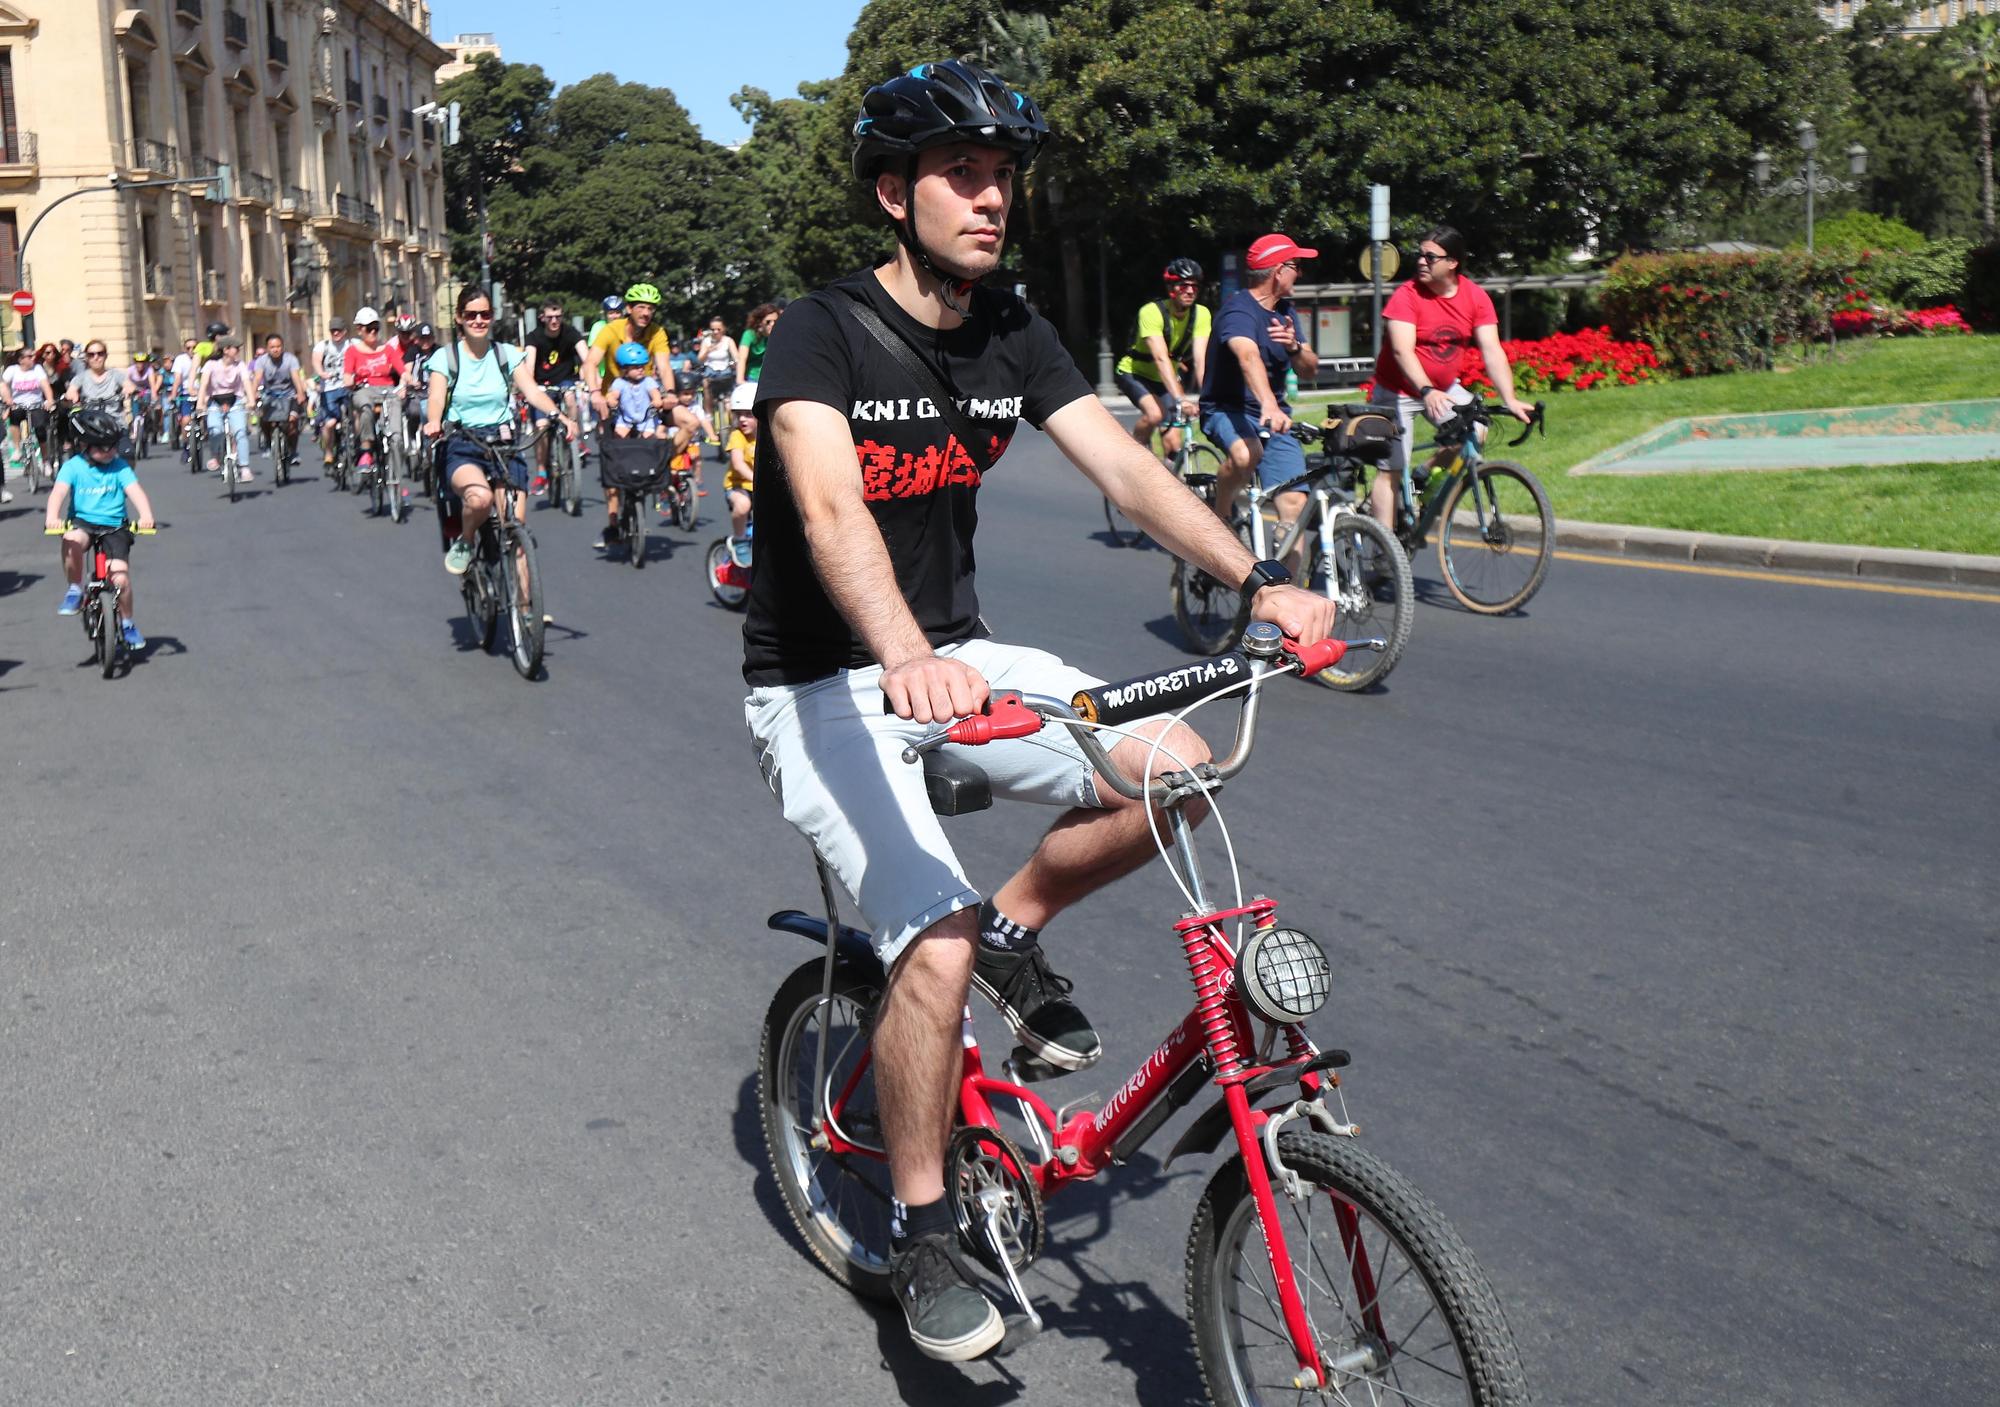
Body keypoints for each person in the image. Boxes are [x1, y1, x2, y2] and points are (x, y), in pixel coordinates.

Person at [742, 58, 1336, 1362]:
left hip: (961, 655)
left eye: (1004, 174)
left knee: (1179, 765)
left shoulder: (1010, 323)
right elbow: (831, 507)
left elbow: (1124, 463)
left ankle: (1017, 920)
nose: (992, 196)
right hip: (827, 678)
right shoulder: (820, 329)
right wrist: (900, 649)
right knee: (929, 946)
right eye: (965, 172)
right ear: (893, 193)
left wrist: (1262, 580)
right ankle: (925, 1224)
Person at [1366, 224, 1534, 531]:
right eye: (1420, 255)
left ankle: (1426, 474)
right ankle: (1384, 553)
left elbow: (1492, 351)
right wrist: (1426, 390)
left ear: (1452, 262)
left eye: (1430, 257)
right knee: (1390, 470)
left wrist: (1509, 398)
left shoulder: (1475, 297)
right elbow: (1403, 352)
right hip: (1398, 391)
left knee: (1477, 431)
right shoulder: (1407, 296)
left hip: (1444, 389)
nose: (1421, 262)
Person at [420, 285, 576, 577]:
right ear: (459, 318)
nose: (479, 320)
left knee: (515, 527)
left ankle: (527, 612)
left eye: (485, 314)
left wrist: (560, 416)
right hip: (462, 441)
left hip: (504, 442)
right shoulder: (447, 357)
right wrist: (434, 420)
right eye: (471, 315)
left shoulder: (505, 354)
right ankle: (466, 541)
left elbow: (531, 390)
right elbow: (437, 397)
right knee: (480, 498)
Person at [1198, 233, 1320, 573]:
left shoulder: (1285, 313)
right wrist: (1268, 404)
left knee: (1295, 503)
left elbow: (1310, 368)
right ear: (1278, 271)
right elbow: (1247, 355)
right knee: (1246, 453)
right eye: (1296, 266)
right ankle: (1219, 519)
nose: (1299, 273)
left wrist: (1296, 347)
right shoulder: (1238, 310)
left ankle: (1289, 599)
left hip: (1274, 419)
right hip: (1227, 409)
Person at [46, 407, 157, 651]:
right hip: (83, 523)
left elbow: (135, 492)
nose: (108, 453)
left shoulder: (119, 467)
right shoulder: (73, 467)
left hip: (115, 526)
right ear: (84, 445)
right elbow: (59, 493)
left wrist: (146, 515)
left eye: (112, 447)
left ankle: (127, 623)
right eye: (101, 447)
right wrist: (52, 517)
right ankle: (75, 588)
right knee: (71, 540)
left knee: (120, 577)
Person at [1114, 258, 1210, 465]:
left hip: (1165, 380)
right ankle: (1133, 457)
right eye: (1184, 285)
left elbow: (1201, 361)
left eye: (1195, 286)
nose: (1190, 291)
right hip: (1135, 373)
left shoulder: (1202, 314)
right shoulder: (1151, 312)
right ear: (1171, 288)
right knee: (1155, 414)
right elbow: (1160, 358)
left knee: (1174, 444)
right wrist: (1181, 398)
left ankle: (1168, 475)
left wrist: (1209, 395)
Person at [524, 299, 589, 495]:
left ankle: (575, 435)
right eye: (550, 317)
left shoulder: (571, 333)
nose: (554, 321)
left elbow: (587, 358)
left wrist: (589, 379)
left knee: (570, 398)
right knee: (542, 427)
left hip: (565, 381)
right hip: (542, 386)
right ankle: (542, 471)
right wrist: (530, 387)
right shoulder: (534, 337)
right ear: (542, 318)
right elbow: (528, 364)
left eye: (558, 317)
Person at [343, 307, 406, 499]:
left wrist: (403, 384)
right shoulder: (352, 351)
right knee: (365, 408)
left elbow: (403, 371)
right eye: (368, 328)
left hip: (388, 391)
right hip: (365, 390)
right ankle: (367, 450)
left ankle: (396, 479)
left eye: (375, 328)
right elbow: (347, 376)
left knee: (396, 438)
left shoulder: (388, 349)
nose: (372, 332)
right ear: (359, 330)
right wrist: (350, 381)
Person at [1, 343, 55, 501]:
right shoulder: (12, 371)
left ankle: (45, 461)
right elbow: (3, 386)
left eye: (33, 356)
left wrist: (49, 400)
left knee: (40, 429)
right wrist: (8, 400)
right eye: (30, 356)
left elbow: (45, 386)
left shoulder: (37, 369)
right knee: (15, 418)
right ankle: (17, 450)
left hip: (35, 404)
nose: (33, 359)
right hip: (18, 405)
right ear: (21, 360)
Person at [196, 336, 254, 479]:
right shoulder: (211, 364)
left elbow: (246, 383)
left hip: (235, 401)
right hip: (215, 401)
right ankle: (215, 455)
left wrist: (251, 400)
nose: (238, 351)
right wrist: (200, 403)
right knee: (215, 430)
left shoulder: (240, 365)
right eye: (236, 348)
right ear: (226, 350)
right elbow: (203, 385)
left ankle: (245, 467)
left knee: (240, 432)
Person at [250, 333, 309, 467]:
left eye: (278, 346)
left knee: (292, 423)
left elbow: (296, 377)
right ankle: (269, 443)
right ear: (267, 348)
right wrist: (252, 395)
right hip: (270, 395)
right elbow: (257, 378)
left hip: (289, 395)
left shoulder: (291, 359)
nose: (275, 349)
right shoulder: (261, 361)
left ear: (282, 347)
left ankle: (293, 452)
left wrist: (300, 394)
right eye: (272, 347)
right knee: (263, 418)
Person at [722, 381, 756, 566]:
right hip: (737, 486)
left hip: (759, 488)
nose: (742, 419)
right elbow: (737, 463)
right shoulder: (738, 436)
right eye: (739, 414)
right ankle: (739, 540)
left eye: (749, 414)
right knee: (743, 505)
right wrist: (757, 480)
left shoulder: (769, 436)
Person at [311, 316, 353, 462]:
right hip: (329, 389)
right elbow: (316, 361)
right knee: (330, 423)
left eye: (339, 330)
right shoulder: (323, 346)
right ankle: (328, 451)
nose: (336, 333)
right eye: (333, 331)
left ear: (345, 331)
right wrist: (321, 373)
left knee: (356, 418)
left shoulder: (352, 345)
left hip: (348, 387)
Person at [609, 341, 666, 438]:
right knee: (619, 436)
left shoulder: (648, 381)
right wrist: (611, 400)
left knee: (650, 438)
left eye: (642, 366)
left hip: (647, 418)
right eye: (636, 367)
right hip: (625, 418)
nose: (640, 369)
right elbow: (613, 395)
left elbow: (655, 393)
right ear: (624, 369)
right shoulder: (619, 382)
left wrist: (657, 400)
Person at [696, 315, 737, 438]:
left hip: (725, 371)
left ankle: (733, 422)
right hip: (711, 371)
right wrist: (708, 350)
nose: (715, 332)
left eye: (718, 329)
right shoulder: (706, 341)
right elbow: (700, 359)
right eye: (713, 329)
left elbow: (736, 356)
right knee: (706, 384)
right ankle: (709, 414)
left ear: (723, 329)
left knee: (729, 400)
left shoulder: (728, 341)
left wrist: (735, 362)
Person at [734, 302, 780, 386]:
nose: (772, 324)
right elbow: (742, 358)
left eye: (775, 321)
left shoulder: (779, 336)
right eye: (768, 322)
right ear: (760, 322)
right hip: (752, 379)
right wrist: (740, 380)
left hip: (771, 379)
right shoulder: (749, 335)